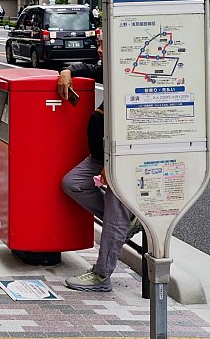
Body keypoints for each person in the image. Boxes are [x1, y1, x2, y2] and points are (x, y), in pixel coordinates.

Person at [57, 37, 137, 293]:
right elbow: (87, 68)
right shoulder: (112, 69)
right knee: (73, 183)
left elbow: (132, 124)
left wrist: (113, 162)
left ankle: (102, 275)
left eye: (104, 43)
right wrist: (66, 71)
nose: (99, 48)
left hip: (122, 156)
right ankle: (126, 223)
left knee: (116, 207)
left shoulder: (134, 76)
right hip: (100, 155)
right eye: (99, 42)